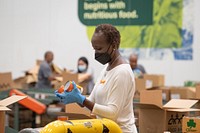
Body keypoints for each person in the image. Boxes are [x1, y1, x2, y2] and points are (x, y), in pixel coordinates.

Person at [55, 24, 137, 133]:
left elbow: (113, 113)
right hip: (107, 129)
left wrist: (82, 100)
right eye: (94, 49)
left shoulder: (122, 72)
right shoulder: (106, 69)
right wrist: (76, 97)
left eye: (99, 48)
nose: (96, 53)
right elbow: (91, 102)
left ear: (113, 45)